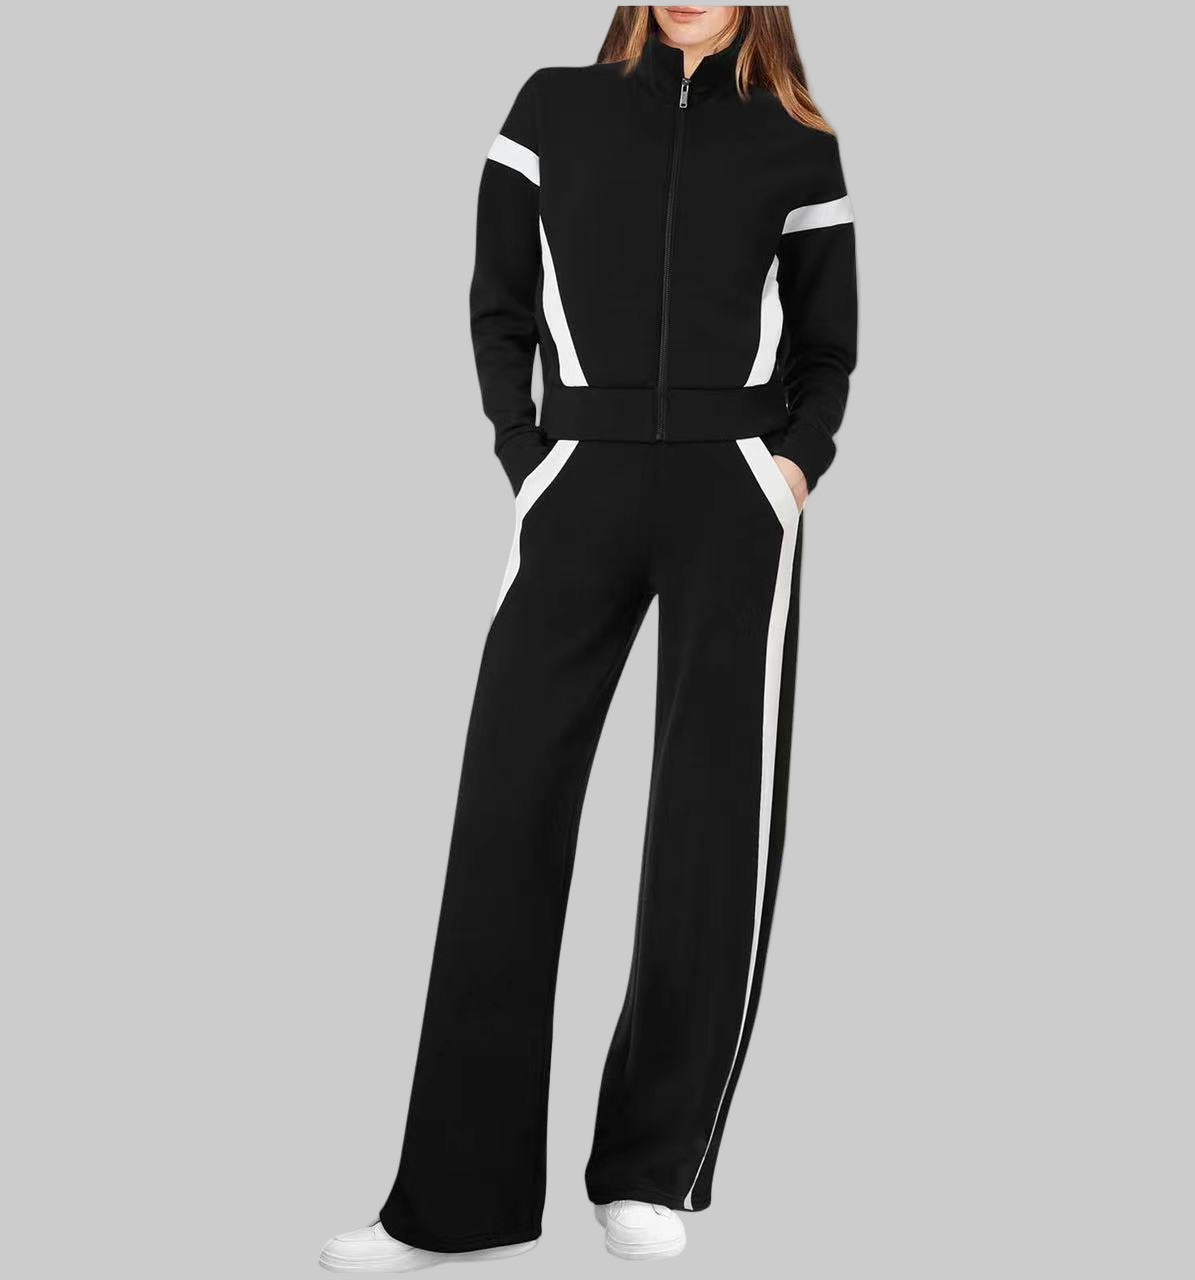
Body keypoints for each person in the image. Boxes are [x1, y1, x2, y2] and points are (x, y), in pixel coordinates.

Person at [321, 5, 857, 1269]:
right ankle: (451, 1201)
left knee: (710, 828)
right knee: (505, 810)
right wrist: (528, 455)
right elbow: (496, 301)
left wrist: (789, 468)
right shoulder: (551, 107)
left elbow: (828, 345)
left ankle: (650, 1168)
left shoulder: (796, 141)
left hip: (733, 490)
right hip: (580, 480)